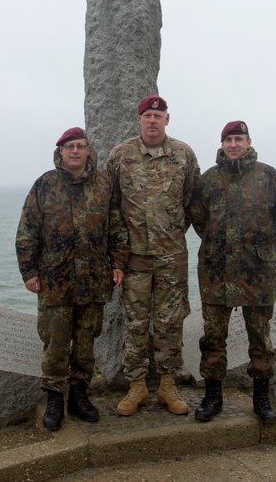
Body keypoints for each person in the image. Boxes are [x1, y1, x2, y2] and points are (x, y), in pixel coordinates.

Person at [16, 126, 127, 430]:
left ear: (89, 150)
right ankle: (54, 397)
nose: (75, 151)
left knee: (86, 342)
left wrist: (118, 264)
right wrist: (29, 272)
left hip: (93, 278)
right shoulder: (44, 185)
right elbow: (27, 231)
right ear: (60, 152)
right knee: (56, 342)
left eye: (80, 146)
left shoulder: (104, 185)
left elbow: (116, 228)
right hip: (56, 280)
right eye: (70, 147)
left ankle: (79, 394)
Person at [190, 120, 276, 424]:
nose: (233, 144)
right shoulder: (208, 180)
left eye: (238, 139)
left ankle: (261, 397)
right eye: (228, 140)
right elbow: (199, 220)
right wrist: (219, 243)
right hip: (216, 271)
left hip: (258, 273)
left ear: (249, 141)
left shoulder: (268, 176)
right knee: (212, 336)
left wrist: (262, 246)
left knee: (260, 337)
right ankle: (213, 396)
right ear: (222, 144)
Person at [105, 95, 200, 416]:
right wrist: (116, 256)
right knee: (135, 323)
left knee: (170, 323)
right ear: (139, 119)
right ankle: (137, 387)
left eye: (158, 116)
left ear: (167, 120)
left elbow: (192, 202)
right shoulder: (121, 155)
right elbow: (111, 206)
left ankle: (167, 385)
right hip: (134, 259)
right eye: (147, 115)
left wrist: (170, 232)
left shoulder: (184, 155)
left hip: (172, 257)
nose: (152, 120)